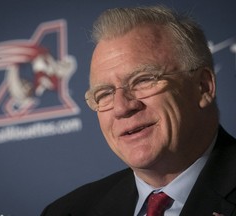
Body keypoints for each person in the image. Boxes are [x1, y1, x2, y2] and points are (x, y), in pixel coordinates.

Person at [41, 5, 236, 216]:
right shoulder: (67, 211)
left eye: (143, 80)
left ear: (203, 87)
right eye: (104, 93)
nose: (122, 107)